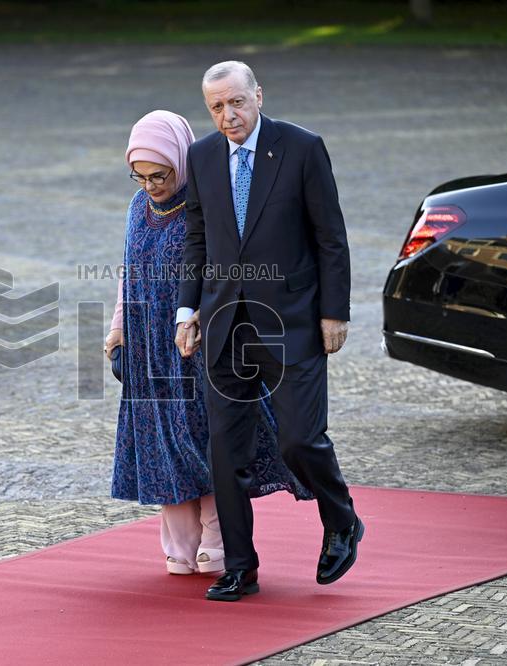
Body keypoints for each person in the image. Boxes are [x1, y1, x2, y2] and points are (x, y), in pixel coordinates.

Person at [175, 61, 363, 602]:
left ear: (258, 94)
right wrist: (186, 313)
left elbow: (332, 236)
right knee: (224, 452)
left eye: (236, 102)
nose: (228, 116)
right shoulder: (201, 156)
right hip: (222, 325)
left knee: (299, 438)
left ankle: (342, 518)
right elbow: (197, 240)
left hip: (294, 321)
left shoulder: (303, 148)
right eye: (216, 108)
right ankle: (240, 567)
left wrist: (335, 312)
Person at [107, 110, 310, 577]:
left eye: (161, 175)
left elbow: (226, 270)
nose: (151, 185)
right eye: (140, 177)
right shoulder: (138, 207)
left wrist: (202, 317)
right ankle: (179, 547)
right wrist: (118, 328)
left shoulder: (205, 203)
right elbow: (127, 270)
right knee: (160, 445)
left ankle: (217, 545)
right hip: (147, 349)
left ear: (181, 161)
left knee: (205, 440)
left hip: (198, 345)